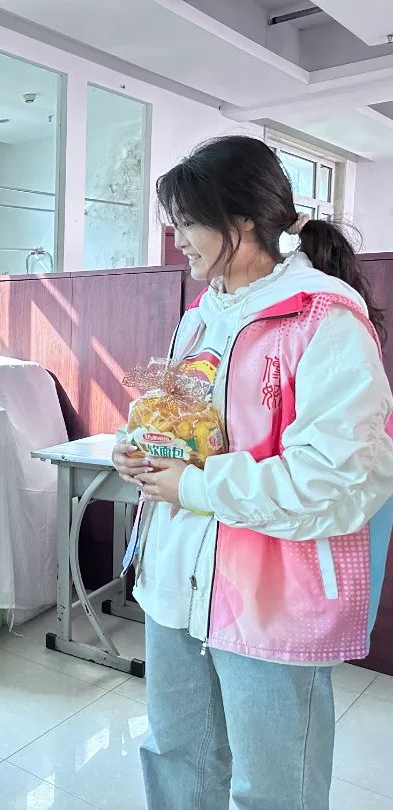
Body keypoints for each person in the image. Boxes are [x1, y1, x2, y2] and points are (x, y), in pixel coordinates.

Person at [113, 135, 393, 810]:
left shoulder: (323, 320)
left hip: (270, 599)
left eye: (187, 221)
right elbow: (186, 425)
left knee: (272, 788)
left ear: (240, 220)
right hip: (178, 582)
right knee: (176, 758)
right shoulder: (200, 317)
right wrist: (140, 447)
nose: (176, 237)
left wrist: (196, 487)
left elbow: (338, 479)